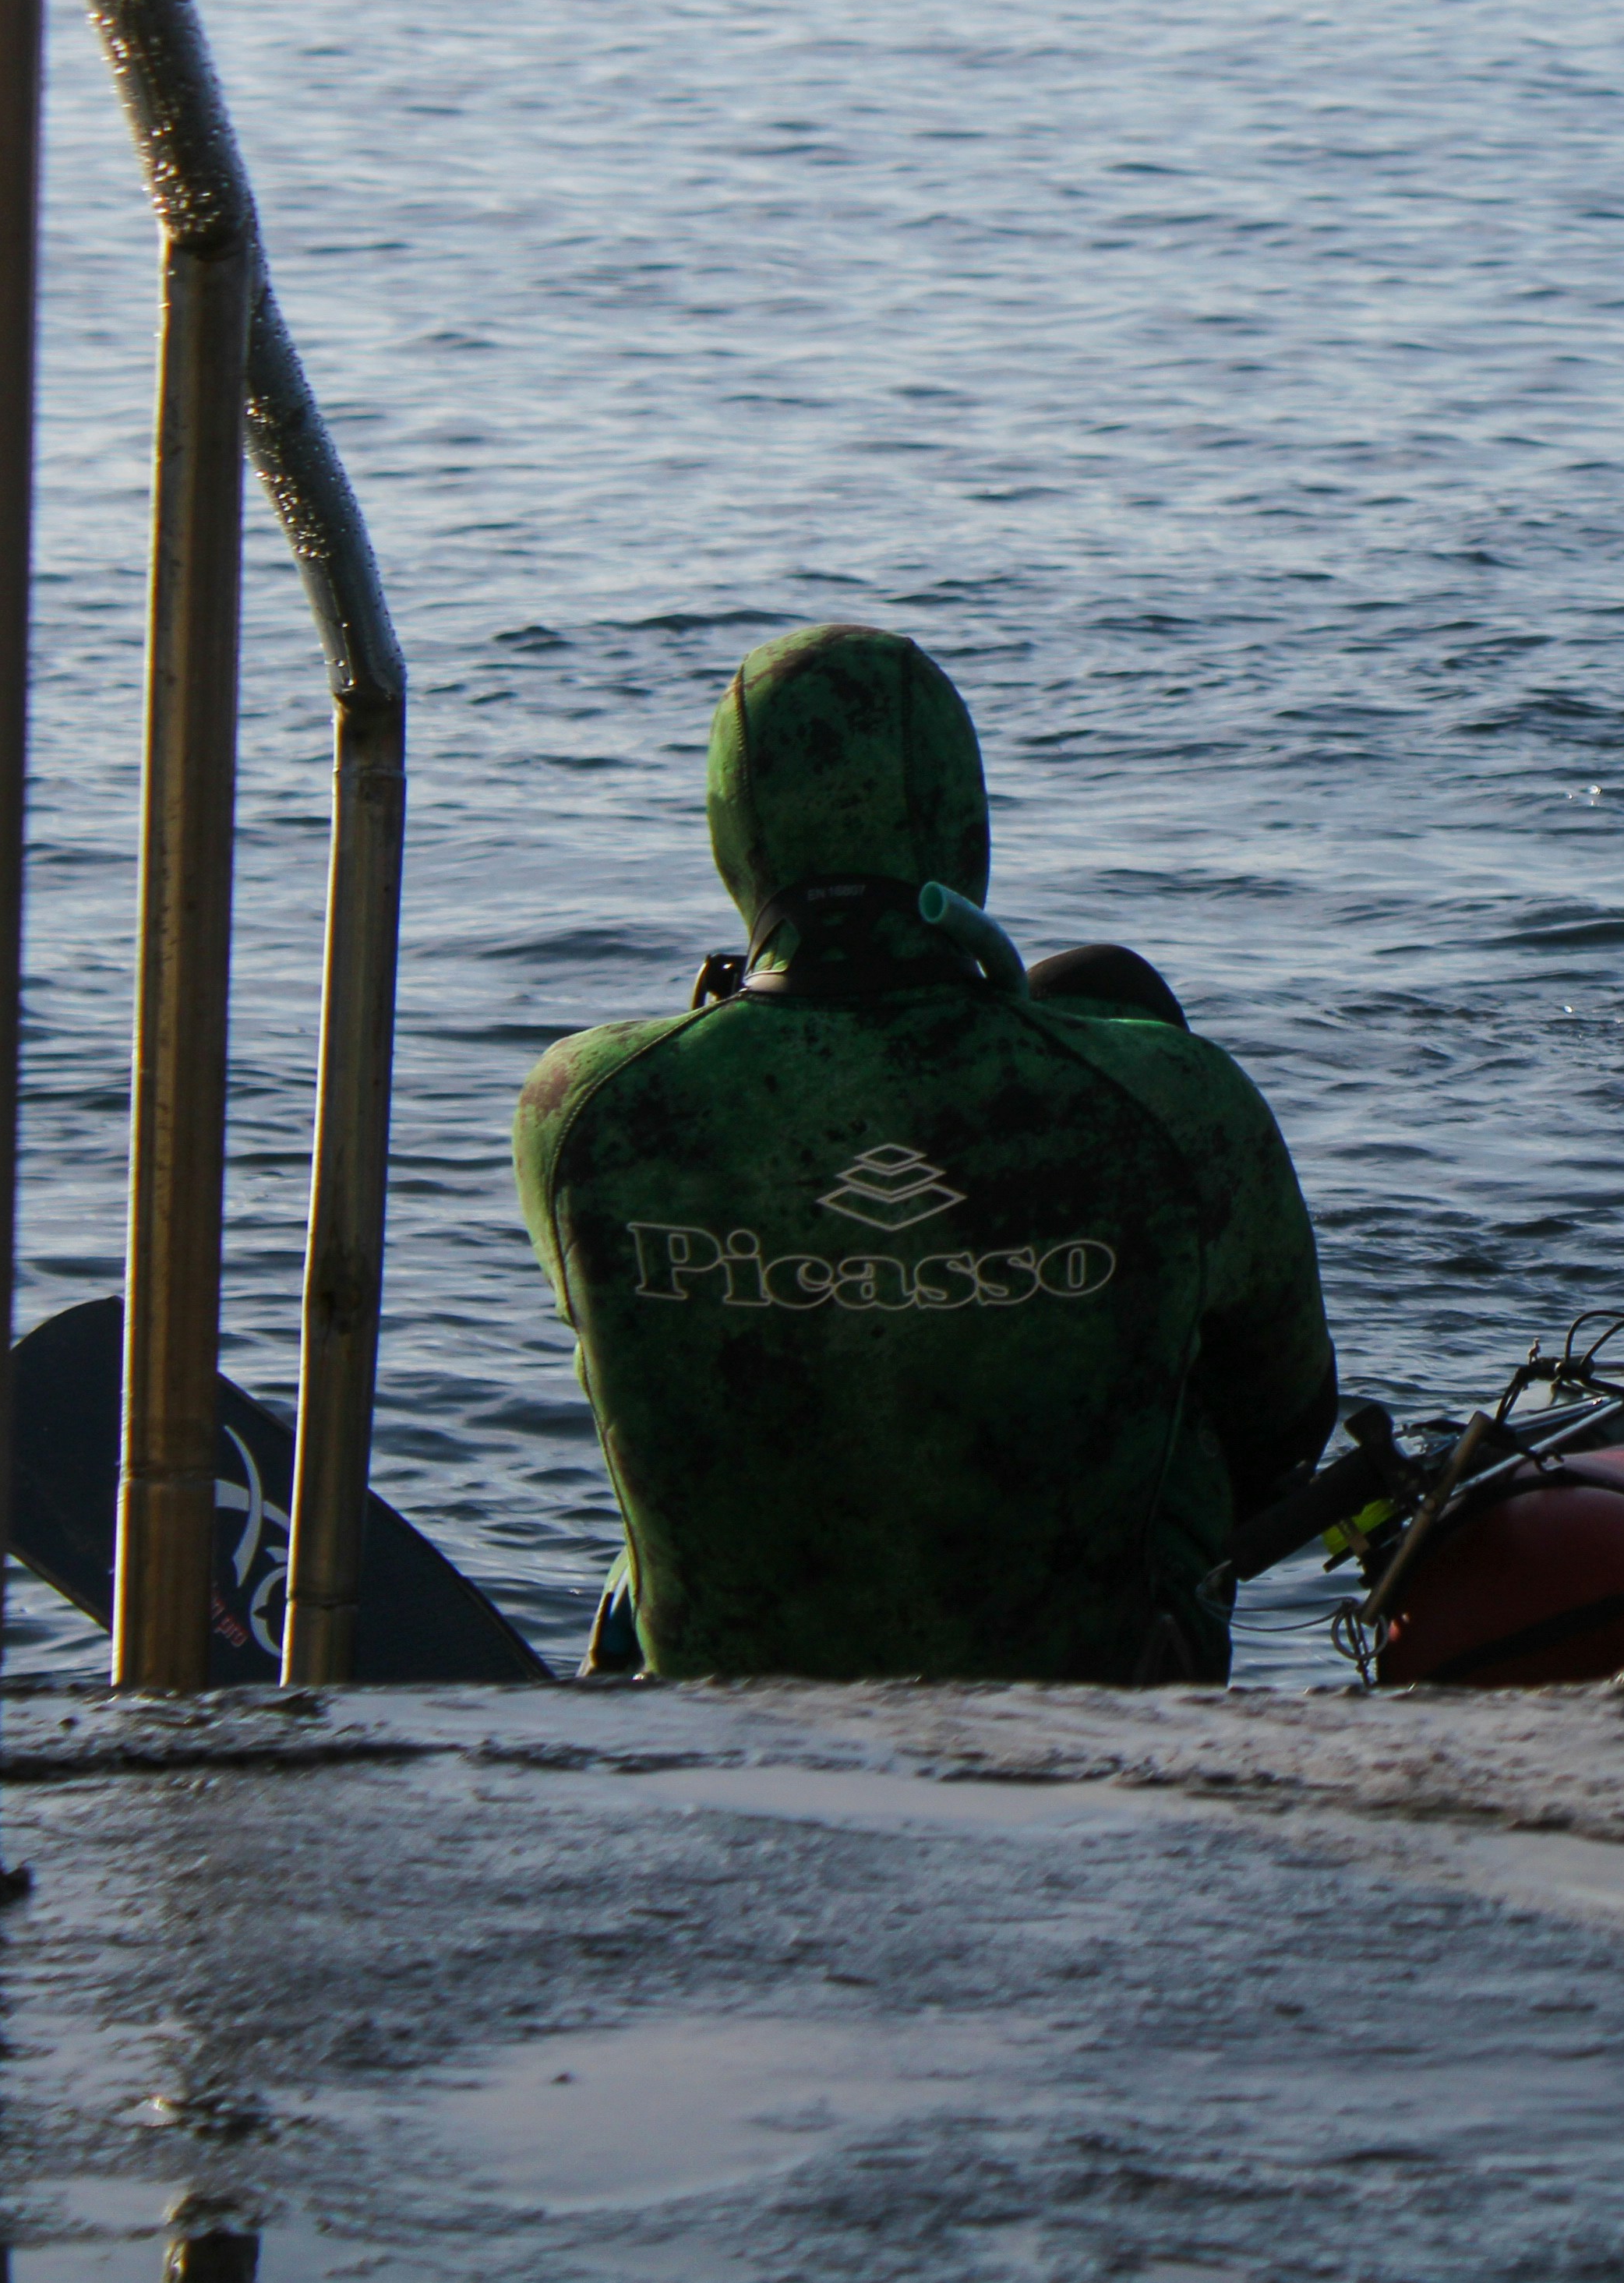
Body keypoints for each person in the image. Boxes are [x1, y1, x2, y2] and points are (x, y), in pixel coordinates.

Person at [514, 623, 1335, 1681]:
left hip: (718, 1710)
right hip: (1094, 1705)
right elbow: (1284, 1429)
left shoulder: (581, 1109)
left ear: (733, 832)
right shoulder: (1179, 1102)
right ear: (963, 824)